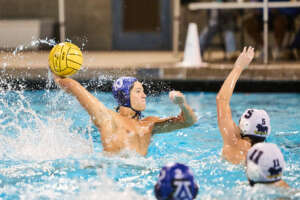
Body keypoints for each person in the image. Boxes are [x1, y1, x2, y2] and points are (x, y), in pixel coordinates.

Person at [52, 75, 197, 156]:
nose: (144, 95)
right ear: (125, 95)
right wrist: (59, 78)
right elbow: (76, 88)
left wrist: (182, 104)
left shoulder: (148, 124)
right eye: (139, 91)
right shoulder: (109, 119)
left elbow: (188, 122)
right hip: (114, 179)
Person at [216, 46, 271, 164]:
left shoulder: (233, 143)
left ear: (243, 126)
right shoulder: (267, 156)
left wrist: (238, 67)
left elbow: (222, 100)